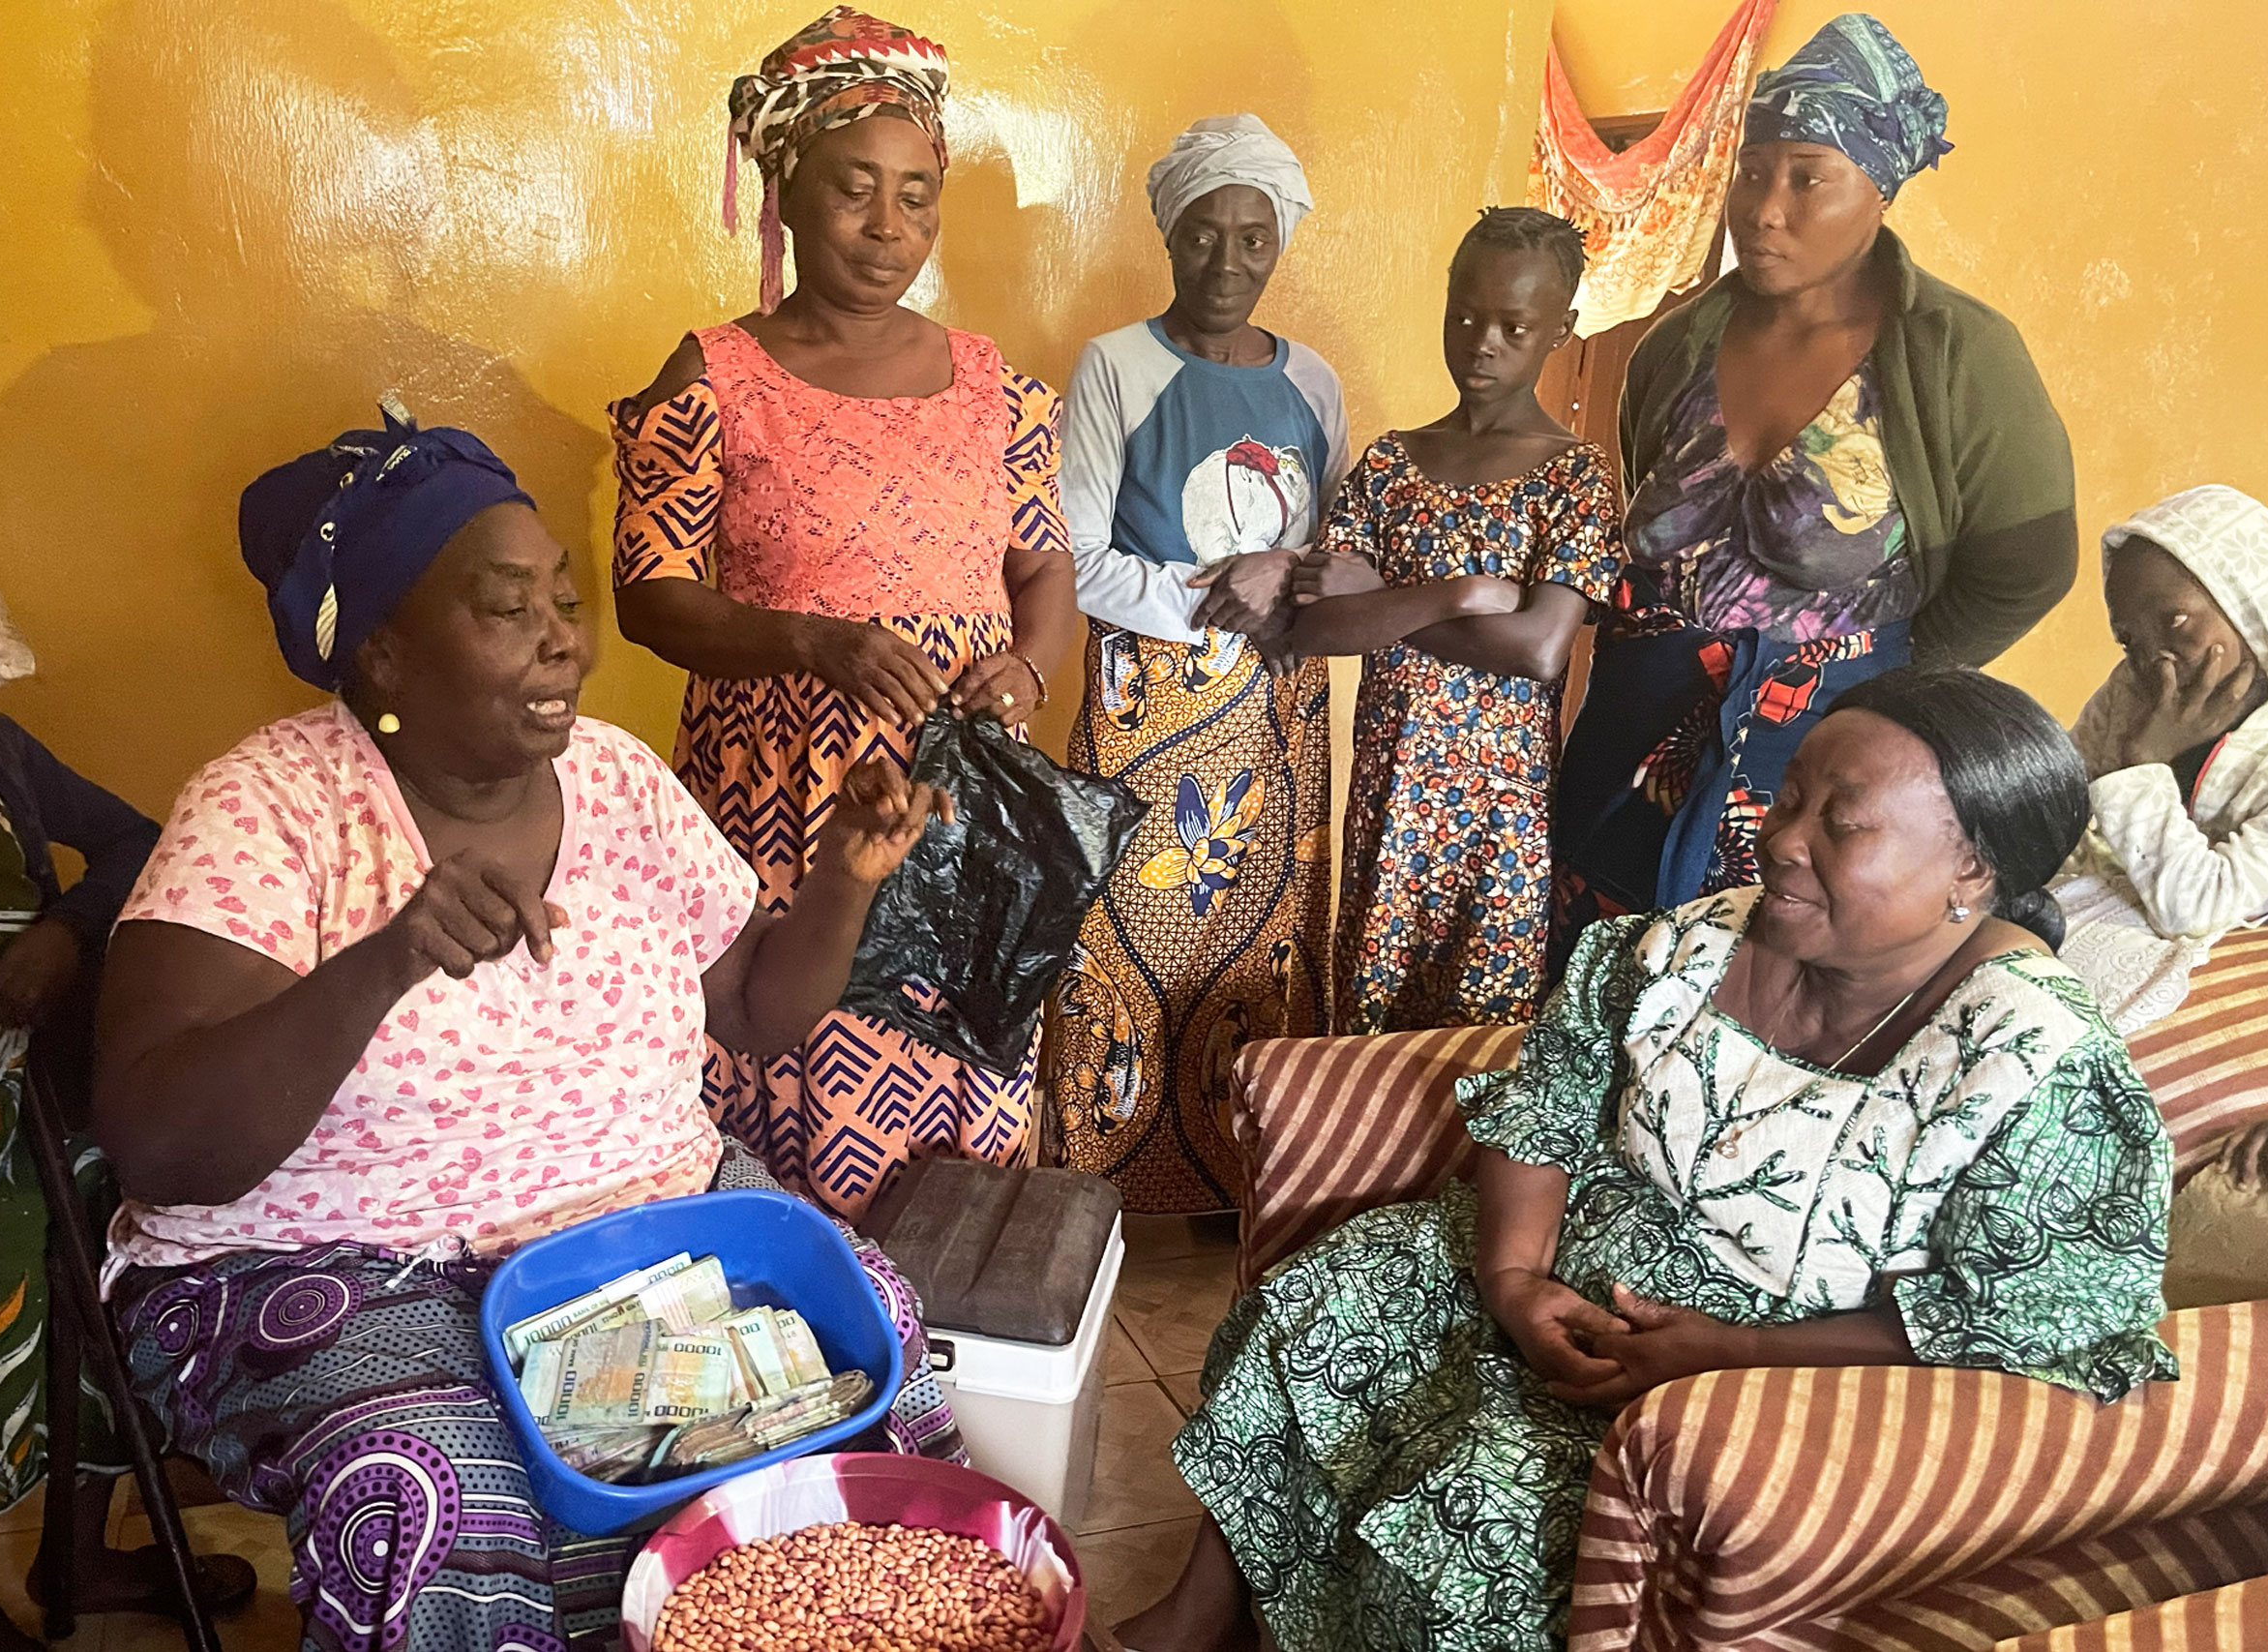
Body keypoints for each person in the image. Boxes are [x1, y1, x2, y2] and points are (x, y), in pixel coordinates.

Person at [92, 408, 972, 1652]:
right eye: (508, 609)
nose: (564, 636)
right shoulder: (270, 809)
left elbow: (762, 1013)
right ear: (386, 656)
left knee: (881, 1352)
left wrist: (846, 880)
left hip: (650, 1227)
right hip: (342, 1266)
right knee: (433, 1487)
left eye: (563, 598)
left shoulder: (617, 779)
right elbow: (162, 1147)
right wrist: (386, 959)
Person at [1117, 667, 2175, 1652]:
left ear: (1972, 870)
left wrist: (1726, 1353)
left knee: (1483, 1507)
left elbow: (2050, 1311)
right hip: (1554, 1276)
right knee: (1321, 1299)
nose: (1782, 840)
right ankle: (1194, 1618)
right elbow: (1546, 1114)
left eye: (1841, 825)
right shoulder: (1685, 947)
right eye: (1790, 795)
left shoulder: (2034, 1063)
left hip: (1748, 1376)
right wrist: (1514, 1278)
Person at [608, 7, 1077, 1219]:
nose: (889, 229)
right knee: (785, 1083)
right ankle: (803, 1363)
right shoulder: (712, 377)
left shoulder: (998, 389)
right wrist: (814, 642)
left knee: (963, 1100)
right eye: (853, 190)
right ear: (786, 194)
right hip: (776, 808)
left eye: (916, 196)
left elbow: (1044, 578)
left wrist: (1023, 675)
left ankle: (948, 1373)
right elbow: (648, 597)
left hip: (957, 804)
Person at [1551, 14, 2076, 971]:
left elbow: (2028, 566)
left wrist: (1884, 687)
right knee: (1597, 997)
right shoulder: (1675, 348)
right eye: (1751, 171)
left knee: (1767, 1011)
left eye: (1806, 176)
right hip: (1631, 749)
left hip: (1819, 776)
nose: (1762, 208)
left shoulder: (1958, 354)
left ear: (1877, 188)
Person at [0, 491, 254, 1651]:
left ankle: (76, 1558)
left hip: (14, 1111)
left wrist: (67, 929)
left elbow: (139, 839)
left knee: (87, 1335)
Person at [1046, 113, 1346, 1214]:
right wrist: (1221, 597)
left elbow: (1328, 548)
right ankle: (1107, 1196)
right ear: (1169, 237)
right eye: (1203, 236)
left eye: (1254, 239)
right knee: (1131, 937)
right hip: (1151, 704)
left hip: (1278, 706)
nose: (1228, 263)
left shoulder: (1310, 381)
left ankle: (1243, 1191)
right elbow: (1077, 559)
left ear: (1281, 244)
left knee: (1259, 948)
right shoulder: (1115, 366)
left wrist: (1285, 570)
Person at [1291, 208, 1621, 1035]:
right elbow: (1317, 626)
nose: (1483, 342)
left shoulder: (1575, 479)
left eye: (1515, 326)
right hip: (1388, 797)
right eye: (1465, 315)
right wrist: (1456, 594)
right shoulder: (1391, 463)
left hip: (1501, 820)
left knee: (1479, 1049)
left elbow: (1540, 647)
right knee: (1368, 1040)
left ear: (1560, 331)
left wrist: (1385, 598)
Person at [2069, 485, 2268, 939]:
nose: (2155, 657)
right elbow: (2054, 797)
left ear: (2249, 606)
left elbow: (2195, 909)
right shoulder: (2130, 691)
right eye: (2128, 639)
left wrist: (2145, 764)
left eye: (2175, 620)